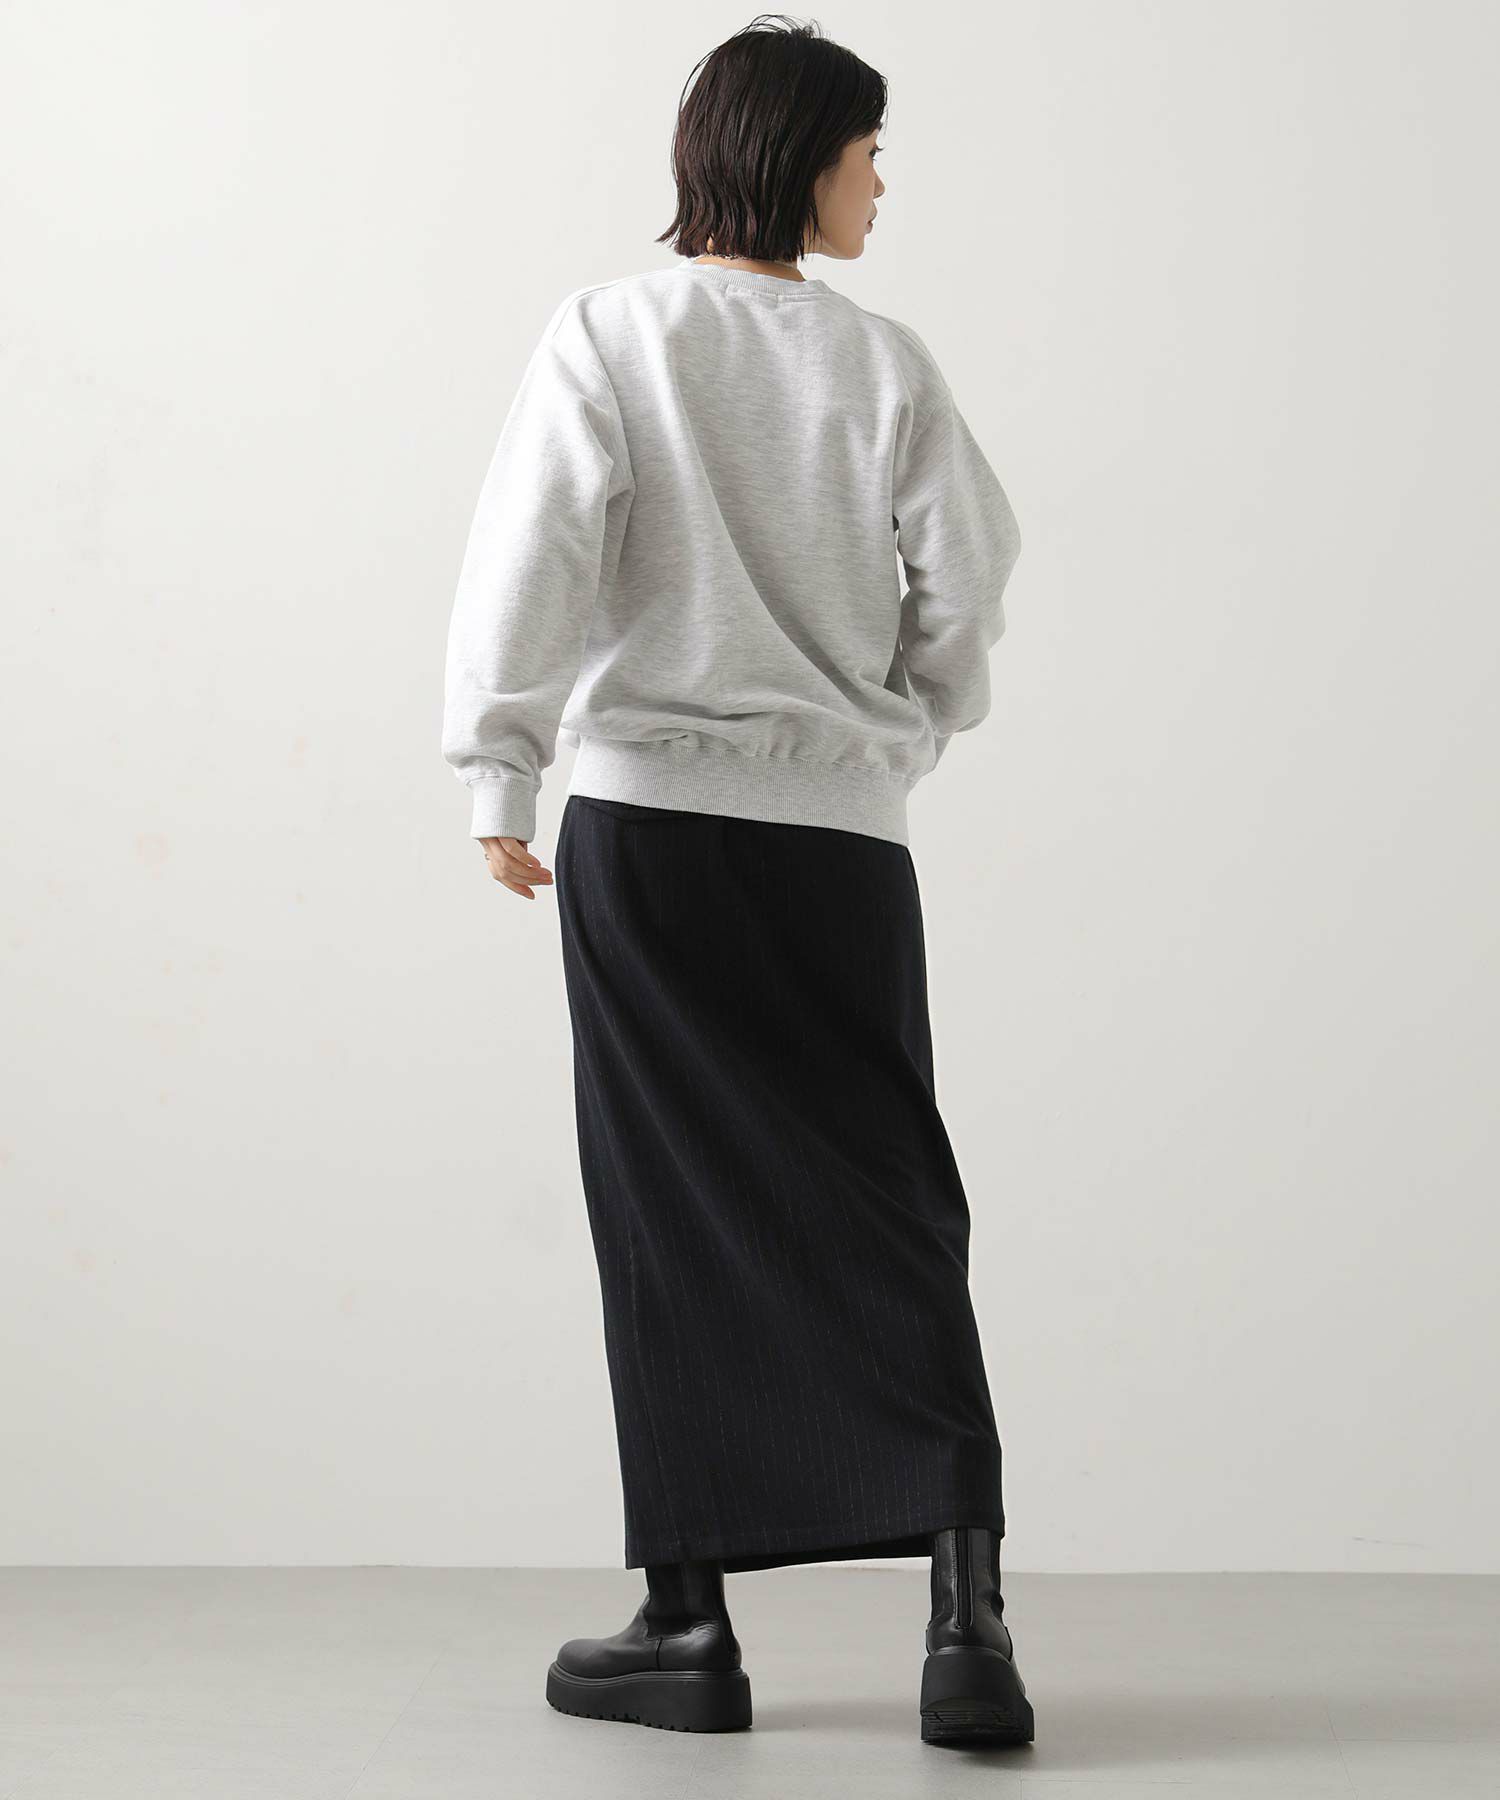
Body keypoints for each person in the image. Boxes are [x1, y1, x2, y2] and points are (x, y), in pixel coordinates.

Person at [441, 14, 1033, 1747]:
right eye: (867, 154)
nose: (880, 186)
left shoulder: (611, 335)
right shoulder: (883, 364)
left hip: (652, 838)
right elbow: (972, 573)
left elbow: (534, 552)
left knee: (670, 1212)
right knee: (893, 1201)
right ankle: (966, 1619)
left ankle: (687, 1625)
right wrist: (904, 727)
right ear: (797, 158)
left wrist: (499, 765)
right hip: (842, 849)